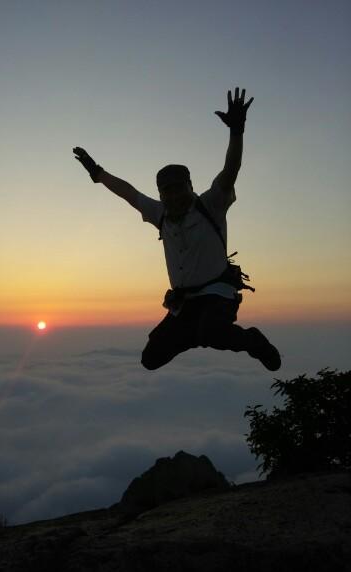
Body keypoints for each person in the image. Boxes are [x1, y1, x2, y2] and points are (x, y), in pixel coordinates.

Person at [73, 87, 281, 371]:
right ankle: (194, 332)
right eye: (166, 190)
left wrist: (236, 132)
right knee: (151, 359)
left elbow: (230, 170)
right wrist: (97, 173)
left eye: (178, 188)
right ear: (161, 194)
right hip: (184, 301)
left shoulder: (211, 205)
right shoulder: (160, 214)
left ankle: (252, 341)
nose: (172, 195)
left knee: (213, 333)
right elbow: (128, 193)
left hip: (218, 293)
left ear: (190, 186)